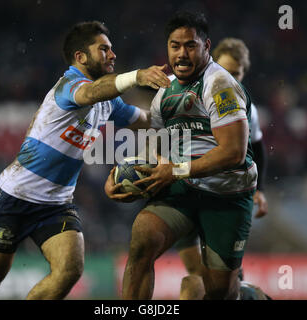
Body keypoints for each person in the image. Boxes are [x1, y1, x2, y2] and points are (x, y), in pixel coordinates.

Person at [0, 21, 170, 300]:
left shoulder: (108, 102)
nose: (113, 55)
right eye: (104, 49)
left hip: (55, 205)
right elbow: (90, 93)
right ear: (80, 57)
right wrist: (136, 76)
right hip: (15, 197)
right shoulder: (69, 86)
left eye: (112, 49)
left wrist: (179, 113)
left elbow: (145, 120)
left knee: (69, 269)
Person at [105, 11, 257, 300]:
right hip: (184, 189)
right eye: (175, 46)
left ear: (206, 46)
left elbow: (234, 153)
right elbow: (158, 148)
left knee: (218, 292)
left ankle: (249, 295)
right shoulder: (165, 93)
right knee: (142, 240)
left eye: (190, 45)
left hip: (227, 195)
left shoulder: (220, 86)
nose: (182, 54)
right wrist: (120, 175)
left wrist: (175, 170)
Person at [177, 37, 269, 300]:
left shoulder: (245, 110)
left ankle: (247, 294)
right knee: (197, 277)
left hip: (224, 199)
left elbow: (258, 147)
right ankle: (248, 293)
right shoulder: (192, 95)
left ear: (244, 73)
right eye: (226, 70)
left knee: (209, 284)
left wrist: (259, 190)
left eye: (237, 73)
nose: (231, 77)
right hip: (187, 194)